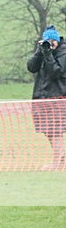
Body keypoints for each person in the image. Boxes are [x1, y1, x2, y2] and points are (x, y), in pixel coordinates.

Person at [27, 25, 66, 170]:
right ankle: (61, 157)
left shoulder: (64, 53)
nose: (50, 44)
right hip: (43, 97)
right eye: (47, 41)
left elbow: (55, 72)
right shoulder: (43, 51)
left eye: (52, 41)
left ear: (57, 40)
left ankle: (57, 162)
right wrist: (40, 52)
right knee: (49, 130)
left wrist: (48, 54)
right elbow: (31, 67)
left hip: (58, 98)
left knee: (55, 130)